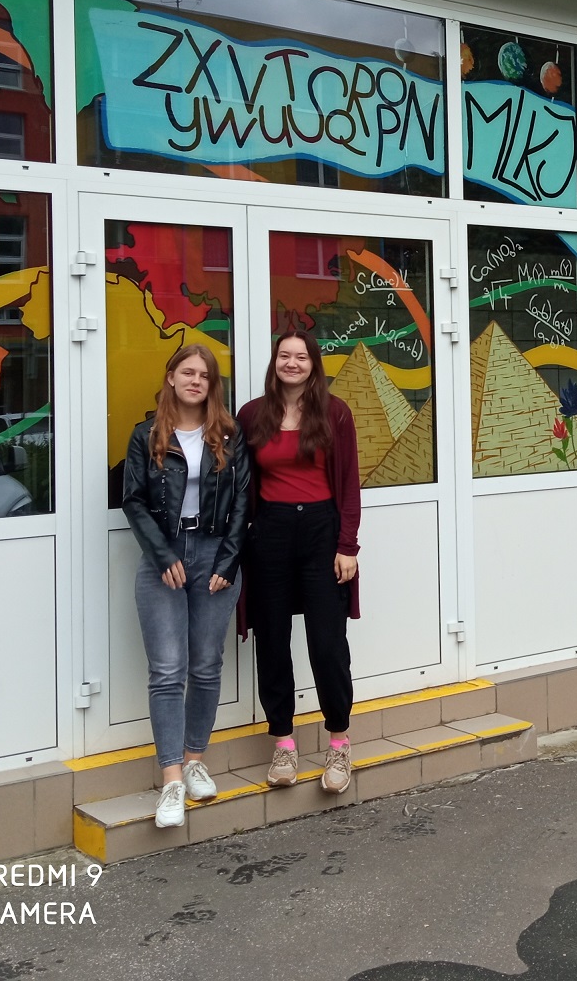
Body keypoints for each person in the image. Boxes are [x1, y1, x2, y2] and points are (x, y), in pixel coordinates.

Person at [122, 344, 250, 829]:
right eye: (187, 372)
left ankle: (196, 759)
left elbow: (243, 501)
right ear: (171, 377)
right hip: (166, 558)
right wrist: (162, 554)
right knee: (167, 670)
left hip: (215, 556)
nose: (196, 380)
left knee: (206, 665)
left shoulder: (229, 435)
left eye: (204, 375)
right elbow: (133, 500)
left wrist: (229, 560)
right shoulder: (146, 435)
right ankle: (172, 779)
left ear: (212, 384)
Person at [239, 328, 361, 795]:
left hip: (321, 532)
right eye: (284, 356)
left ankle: (339, 742)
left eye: (301, 356)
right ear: (275, 363)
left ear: (313, 364)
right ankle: (284, 743)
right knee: (272, 640)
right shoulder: (252, 414)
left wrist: (347, 545)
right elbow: (241, 483)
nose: (292, 363)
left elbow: (349, 483)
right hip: (269, 534)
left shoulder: (335, 412)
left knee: (327, 643)